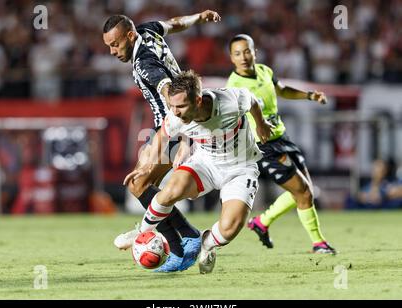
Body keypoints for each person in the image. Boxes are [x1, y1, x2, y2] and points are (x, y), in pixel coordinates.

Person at [102, 10, 221, 272]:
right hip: (173, 126)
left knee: (138, 183)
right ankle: (178, 236)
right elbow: (175, 24)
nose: (112, 51)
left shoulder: (144, 63)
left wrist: (184, 130)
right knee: (144, 186)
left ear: (129, 36)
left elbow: (168, 89)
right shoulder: (148, 30)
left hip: (173, 126)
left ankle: (182, 243)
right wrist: (199, 18)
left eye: (115, 44)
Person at [123, 70, 274, 274]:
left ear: (198, 101)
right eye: (172, 106)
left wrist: (261, 124)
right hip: (205, 163)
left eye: (181, 106)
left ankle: (207, 243)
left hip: (240, 168)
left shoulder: (230, 102)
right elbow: (161, 137)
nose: (175, 112)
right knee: (169, 192)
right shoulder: (176, 116)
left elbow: (253, 100)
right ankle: (142, 233)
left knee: (231, 227)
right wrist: (145, 167)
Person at [226, 34, 336, 254]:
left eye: (247, 51)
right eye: (237, 53)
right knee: (303, 192)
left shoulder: (265, 71)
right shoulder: (234, 85)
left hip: (282, 138)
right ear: (231, 58)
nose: (244, 57)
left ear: (254, 52)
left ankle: (262, 222)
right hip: (263, 147)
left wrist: (310, 96)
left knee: (306, 190)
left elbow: (282, 89)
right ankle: (318, 243)